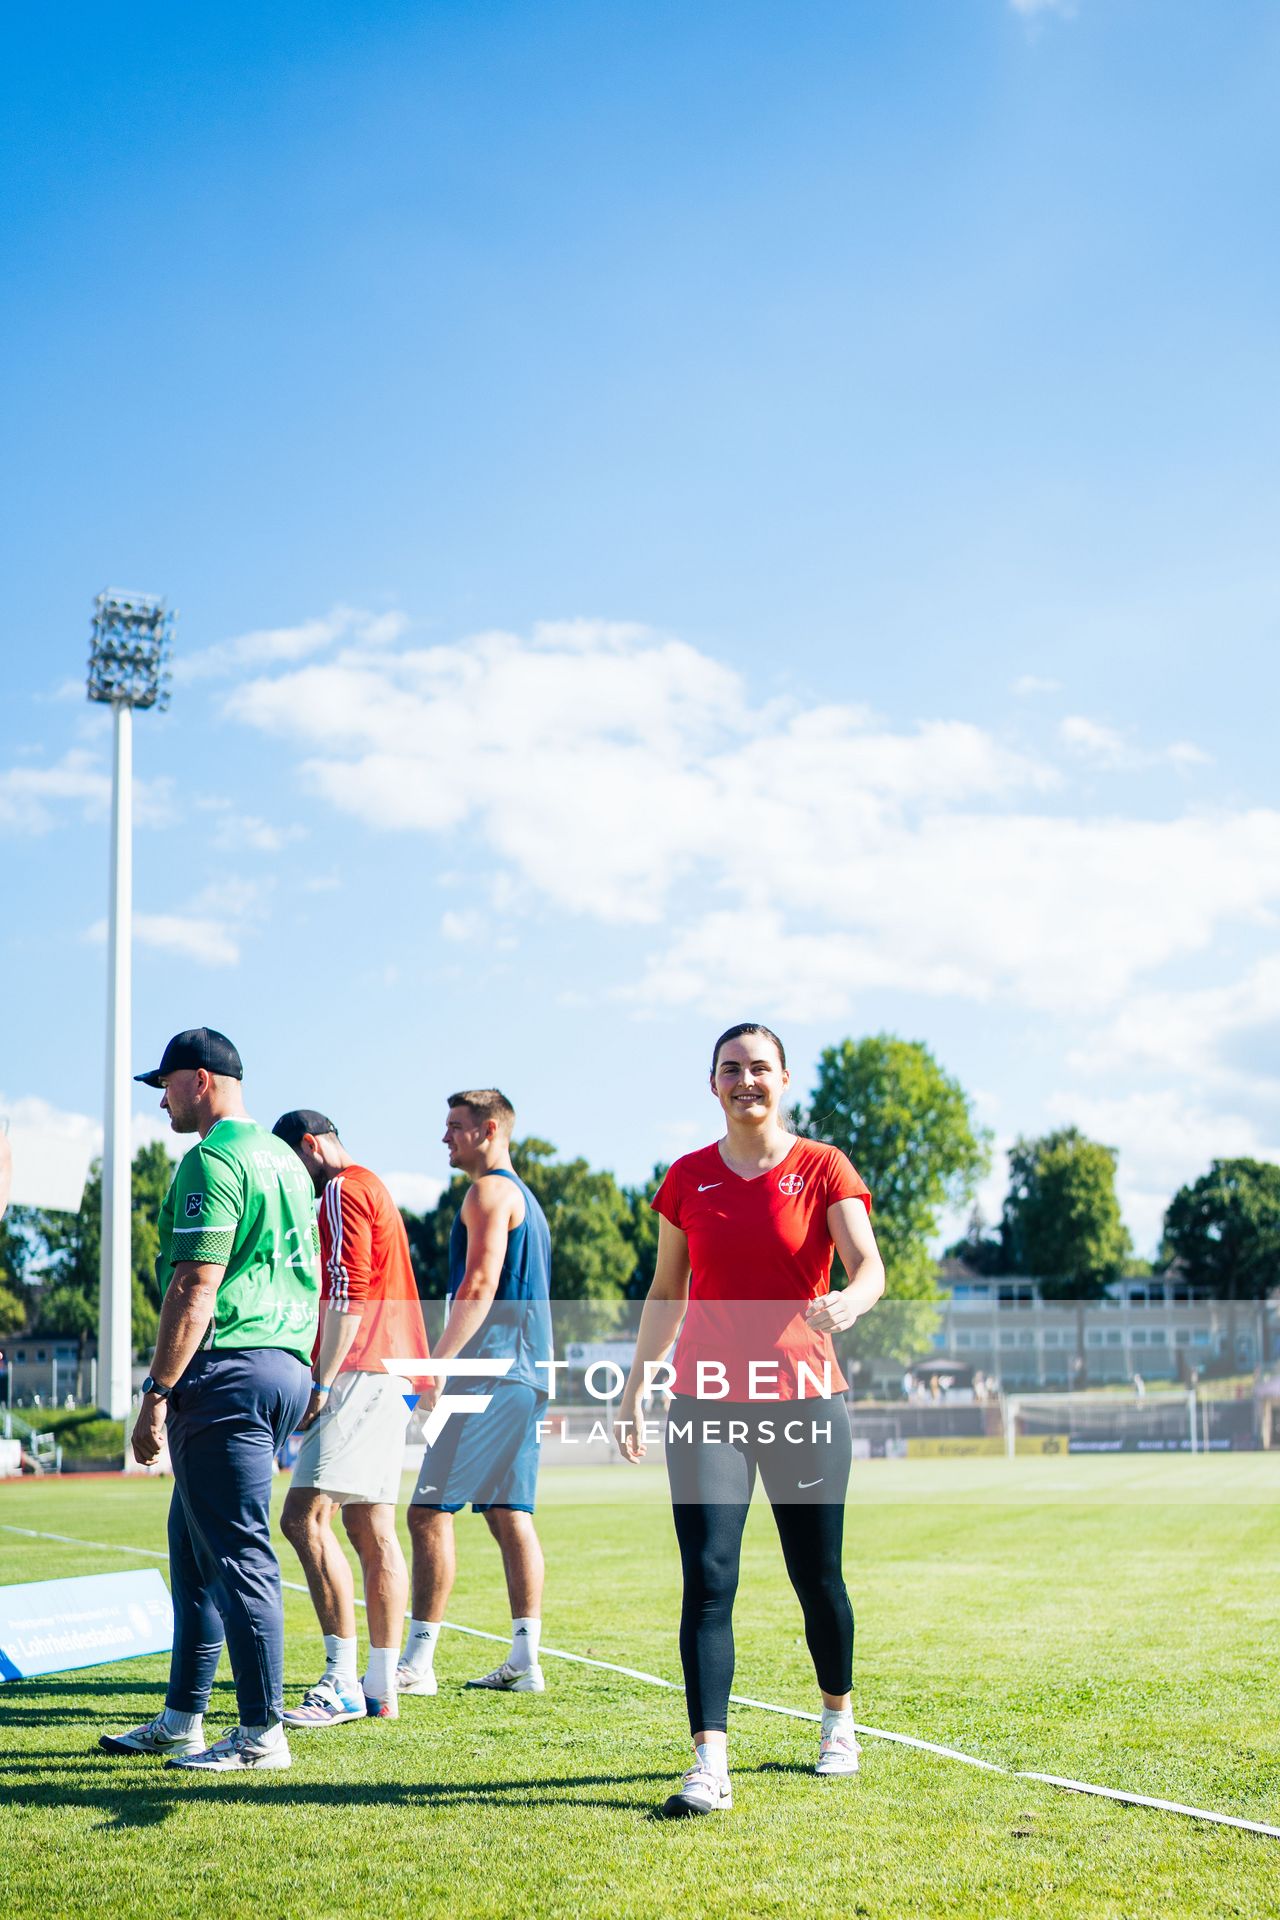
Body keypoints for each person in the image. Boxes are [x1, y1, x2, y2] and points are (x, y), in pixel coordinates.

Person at [614, 1023, 885, 1818]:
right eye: (731, 1070)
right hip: (705, 1403)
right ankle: (710, 1763)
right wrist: (636, 1387)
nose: (746, 1082)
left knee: (816, 1576)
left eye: (759, 1069)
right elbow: (666, 1293)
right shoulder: (688, 1177)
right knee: (709, 1579)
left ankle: (838, 1720)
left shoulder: (823, 1167)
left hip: (803, 1397)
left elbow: (869, 1267)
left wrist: (850, 1301)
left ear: (784, 1079)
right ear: (713, 1083)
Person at [99, 1028, 319, 1773]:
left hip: (228, 1370)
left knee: (238, 1554)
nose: (160, 1101)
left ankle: (261, 1734)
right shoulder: (288, 1162)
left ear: (200, 1080)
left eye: (165, 1085)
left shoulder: (212, 1158)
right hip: (282, 1361)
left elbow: (196, 1284)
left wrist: (156, 1391)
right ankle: (181, 1718)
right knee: (194, 1553)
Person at [271, 1109, 430, 1725]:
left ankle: (340, 1681)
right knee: (370, 1526)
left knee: (303, 1517)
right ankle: (380, 1685)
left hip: (360, 1369)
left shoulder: (340, 1188)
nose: (295, 1181)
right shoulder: (374, 1186)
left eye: (293, 1166)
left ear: (310, 1146)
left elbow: (347, 1286)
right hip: (389, 1370)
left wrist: (323, 1378)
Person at [398, 1090, 552, 1698]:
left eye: (455, 1128)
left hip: (490, 1373)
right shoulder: (527, 1201)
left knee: (427, 1511)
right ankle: (524, 1660)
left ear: (489, 1130)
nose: (445, 1139)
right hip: (526, 1375)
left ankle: (417, 1662)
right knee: (509, 1513)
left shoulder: (488, 1191)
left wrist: (434, 1365)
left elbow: (479, 1283)